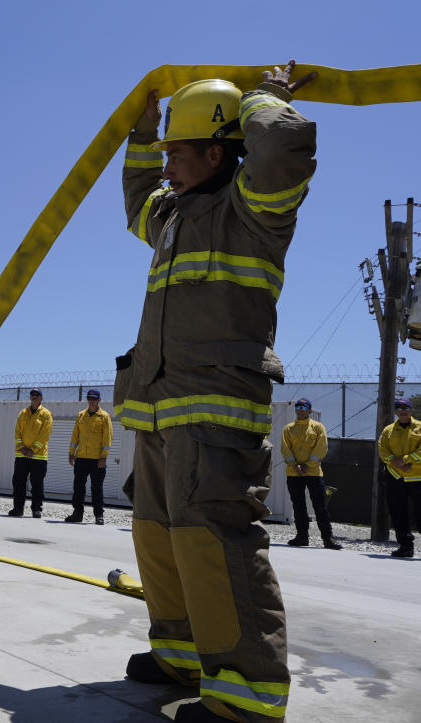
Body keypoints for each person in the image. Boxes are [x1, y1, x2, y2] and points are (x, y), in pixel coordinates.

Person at [116, 62, 317, 722]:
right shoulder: (170, 216)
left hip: (214, 410)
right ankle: (178, 650)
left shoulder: (253, 210)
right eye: (167, 151)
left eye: (178, 150)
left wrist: (266, 98)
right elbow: (138, 195)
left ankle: (246, 695)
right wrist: (143, 138)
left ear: (218, 151)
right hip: (156, 408)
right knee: (158, 537)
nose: (168, 163)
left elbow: (284, 150)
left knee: (215, 540)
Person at [378, 397, 421, 560]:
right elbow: (382, 449)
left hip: (417, 477)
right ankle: (405, 547)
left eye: (406, 408)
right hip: (396, 476)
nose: (403, 411)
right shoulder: (388, 430)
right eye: (399, 408)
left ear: (411, 410)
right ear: (396, 411)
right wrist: (395, 462)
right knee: (398, 513)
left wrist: (406, 460)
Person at [281, 398, 342, 549]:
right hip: (294, 473)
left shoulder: (318, 427)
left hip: (314, 473)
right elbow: (285, 449)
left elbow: (321, 448)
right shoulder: (288, 429)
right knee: (298, 505)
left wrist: (308, 466)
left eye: (304, 407)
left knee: (320, 505)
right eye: (298, 406)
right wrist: (295, 465)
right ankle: (302, 537)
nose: (300, 409)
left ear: (309, 410)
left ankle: (328, 539)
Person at [66, 389, 112, 525]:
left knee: (96, 488)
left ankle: (99, 515)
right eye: (89, 398)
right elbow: (75, 436)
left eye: (94, 399)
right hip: (81, 458)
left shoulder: (104, 416)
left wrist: (104, 457)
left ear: (99, 400)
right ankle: (77, 513)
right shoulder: (81, 415)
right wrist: (71, 452)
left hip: (97, 459)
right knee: (78, 487)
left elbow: (107, 438)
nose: (91, 401)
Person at [8, 389, 53, 518]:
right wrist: (22, 448)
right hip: (21, 455)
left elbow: (44, 435)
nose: (34, 397)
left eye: (36, 395)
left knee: (37, 483)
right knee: (18, 482)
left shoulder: (46, 415)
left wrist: (32, 450)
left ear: (41, 398)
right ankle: (18, 509)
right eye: (32, 395)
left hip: (38, 456)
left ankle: (36, 509)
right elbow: (17, 432)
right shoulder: (23, 413)